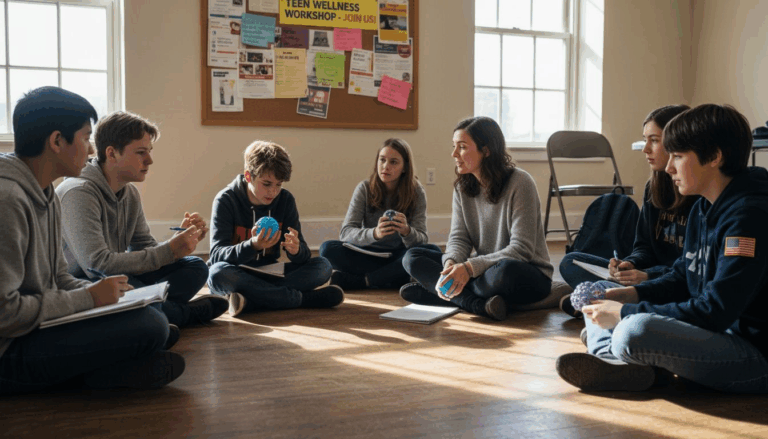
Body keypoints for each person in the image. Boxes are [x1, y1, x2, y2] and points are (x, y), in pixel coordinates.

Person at [556, 104, 768, 393]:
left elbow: (716, 311)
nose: (669, 167)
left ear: (714, 157)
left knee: (634, 329)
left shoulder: (748, 217)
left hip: (752, 353)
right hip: (714, 333)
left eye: (678, 156)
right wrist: (632, 294)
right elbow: (683, 276)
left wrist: (625, 312)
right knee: (600, 291)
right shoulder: (704, 207)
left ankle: (616, 351)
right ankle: (621, 361)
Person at [0, 86, 184, 394]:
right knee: (151, 326)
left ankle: (112, 364)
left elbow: (59, 278)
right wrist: (89, 298)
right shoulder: (8, 200)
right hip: (9, 348)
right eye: (86, 138)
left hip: (35, 324)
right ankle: (96, 373)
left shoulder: (45, 193)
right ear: (57, 141)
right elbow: (5, 314)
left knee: (146, 316)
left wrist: (110, 297)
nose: (90, 151)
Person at [56, 111, 228, 332]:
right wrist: (169, 251)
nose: (150, 160)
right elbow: (96, 266)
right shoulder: (78, 192)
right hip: (83, 282)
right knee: (131, 293)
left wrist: (178, 242)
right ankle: (179, 313)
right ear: (111, 153)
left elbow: (143, 246)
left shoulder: (129, 192)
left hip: (117, 275)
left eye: (149, 151)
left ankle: (155, 311)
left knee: (195, 267)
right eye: (140, 152)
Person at [400, 117, 553, 321]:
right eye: (454, 146)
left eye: (462, 147)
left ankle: (444, 294)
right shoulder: (462, 187)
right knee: (412, 256)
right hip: (483, 271)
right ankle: (478, 305)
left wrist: (468, 269)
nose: (454, 154)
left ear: (486, 151)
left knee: (505, 272)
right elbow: (459, 238)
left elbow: (521, 250)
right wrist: (451, 264)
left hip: (524, 273)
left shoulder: (521, 182)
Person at [558, 105, 697, 317]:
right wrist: (630, 263)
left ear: (676, 142)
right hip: (645, 276)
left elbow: (691, 269)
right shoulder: (653, 187)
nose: (645, 149)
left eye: (654, 140)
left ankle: (606, 299)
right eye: (645, 140)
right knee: (570, 262)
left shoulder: (697, 193)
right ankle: (612, 298)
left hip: (671, 281)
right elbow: (643, 246)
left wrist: (648, 276)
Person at [207, 141, 343, 316]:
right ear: (248, 176)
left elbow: (304, 256)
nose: (273, 191)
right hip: (238, 272)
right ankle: (303, 299)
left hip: (271, 273)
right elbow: (216, 255)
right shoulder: (226, 200)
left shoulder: (285, 200)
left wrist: (296, 250)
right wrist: (253, 245)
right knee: (217, 274)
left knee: (323, 266)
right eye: (266, 184)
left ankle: (250, 301)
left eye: (279, 184)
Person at [320, 138, 440, 291]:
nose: (385, 166)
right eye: (382, 160)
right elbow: (345, 233)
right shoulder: (364, 188)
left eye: (393, 162)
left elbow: (422, 239)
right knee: (327, 249)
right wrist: (375, 233)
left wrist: (406, 231)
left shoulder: (416, 191)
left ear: (405, 167)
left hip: (398, 255)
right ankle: (390, 278)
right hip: (365, 253)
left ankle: (363, 281)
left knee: (432, 251)